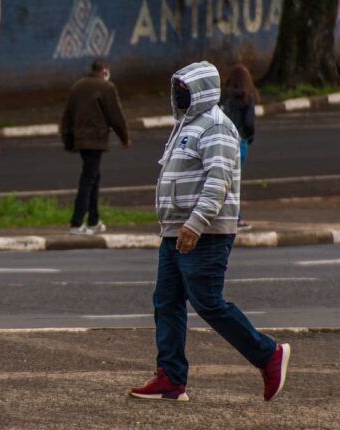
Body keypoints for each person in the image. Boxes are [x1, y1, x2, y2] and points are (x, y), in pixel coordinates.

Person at [128, 61, 290, 402]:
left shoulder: (217, 126)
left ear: (201, 91)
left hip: (204, 232)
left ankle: (268, 355)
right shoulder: (185, 125)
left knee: (208, 302)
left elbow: (219, 181)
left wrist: (196, 224)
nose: (178, 96)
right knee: (166, 301)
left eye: (184, 91)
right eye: (176, 91)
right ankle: (171, 378)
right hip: (176, 230)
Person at [60, 59, 130, 236]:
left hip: (81, 140)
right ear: (104, 71)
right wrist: (124, 138)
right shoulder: (107, 88)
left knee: (94, 177)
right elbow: (116, 116)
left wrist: (68, 140)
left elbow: (66, 115)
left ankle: (93, 221)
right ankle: (76, 223)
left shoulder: (78, 86)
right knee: (89, 178)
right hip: (96, 140)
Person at [220, 64, 259, 230]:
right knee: (233, 183)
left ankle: (218, 215)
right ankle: (235, 217)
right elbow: (249, 123)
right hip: (239, 143)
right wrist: (249, 138)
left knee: (219, 180)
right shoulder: (247, 98)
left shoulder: (221, 96)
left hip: (220, 142)